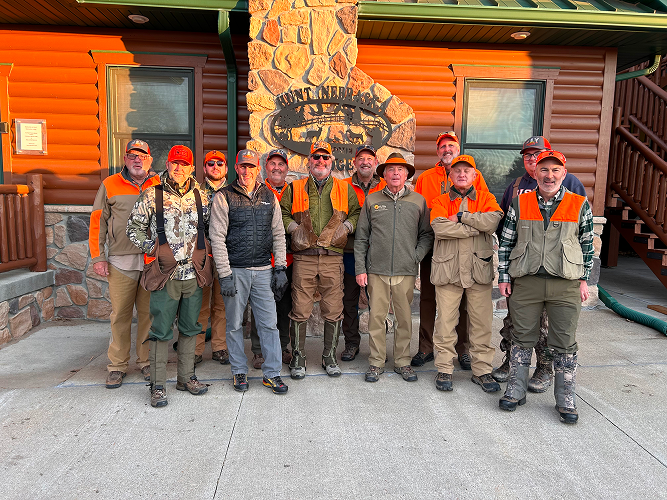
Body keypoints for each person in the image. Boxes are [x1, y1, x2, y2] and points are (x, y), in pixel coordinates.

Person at [497, 150, 593, 424]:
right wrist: (504, 277)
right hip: (527, 281)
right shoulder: (520, 202)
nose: (549, 176)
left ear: (564, 174)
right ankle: (515, 390)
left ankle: (565, 398)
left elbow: (587, 243)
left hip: (565, 283)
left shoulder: (579, 203)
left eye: (555, 170)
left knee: (564, 341)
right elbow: (507, 242)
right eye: (544, 170)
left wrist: (584, 279)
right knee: (521, 337)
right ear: (535, 173)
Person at [127, 145, 209, 407]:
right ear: (168, 164)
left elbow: (211, 229)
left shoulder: (202, 196)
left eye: (184, 164)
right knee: (161, 331)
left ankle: (186, 378)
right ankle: (158, 385)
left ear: (191, 168)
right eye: (175, 163)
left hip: (193, 275)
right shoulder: (152, 195)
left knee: (190, 328)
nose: (178, 168)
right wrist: (152, 248)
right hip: (165, 275)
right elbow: (133, 228)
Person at [209, 149, 289, 394]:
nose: (246, 171)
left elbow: (278, 233)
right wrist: (224, 274)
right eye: (242, 166)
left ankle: (272, 373)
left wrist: (280, 267)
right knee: (234, 324)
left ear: (258, 169)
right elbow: (217, 237)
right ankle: (239, 371)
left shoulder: (269, 196)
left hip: (264, 270)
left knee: (269, 325)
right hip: (236, 270)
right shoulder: (224, 196)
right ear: (236, 168)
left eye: (251, 166)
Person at [280, 140, 361, 379]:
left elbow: (357, 213)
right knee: (299, 309)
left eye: (325, 157)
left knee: (334, 310)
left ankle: (329, 357)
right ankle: (298, 358)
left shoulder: (344, 188)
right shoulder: (294, 188)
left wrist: (347, 227)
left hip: (332, 258)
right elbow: (281, 213)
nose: (321, 161)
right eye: (316, 157)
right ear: (309, 161)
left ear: (331, 161)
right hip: (303, 258)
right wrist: (294, 228)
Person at [412, 131, 488, 370]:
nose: (447, 149)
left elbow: (483, 209)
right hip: (432, 246)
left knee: (463, 299)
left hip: (464, 249)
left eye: (451, 145)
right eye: (443, 146)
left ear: (458, 149)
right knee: (428, 298)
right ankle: (426, 347)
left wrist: (463, 225)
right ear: (438, 151)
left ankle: (462, 349)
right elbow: (420, 213)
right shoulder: (426, 178)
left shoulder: (475, 176)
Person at [354, 153, 433, 382]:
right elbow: (361, 238)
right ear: (384, 175)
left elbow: (426, 235)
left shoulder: (418, 201)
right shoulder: (372, 200)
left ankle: (402, 362)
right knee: (376, 318)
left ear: (406, 174)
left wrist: (415, 257)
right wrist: (361, 269)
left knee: (404, 319)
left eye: (400, 169)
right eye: (391, 169)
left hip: (405, 270)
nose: (395, 173)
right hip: (376, 270)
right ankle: (376, 362)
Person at [89, 139, 160, 389]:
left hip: (151, 261)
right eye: (132, 155)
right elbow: (97, 221)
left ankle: (146, 361)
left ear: (150, 160)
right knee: (120, 315)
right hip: (121, 260)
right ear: (125, 159)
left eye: (142, 156)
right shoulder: (110, 184)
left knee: (148, 315)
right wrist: (98, 257)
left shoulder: (158, 184)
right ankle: (117, 366)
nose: (137, 160)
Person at [429, 155, 503, 392]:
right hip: (448, 270)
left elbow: (492, 222)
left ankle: (482, 371)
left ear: (474, 175)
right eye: (457, 171)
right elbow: (439, 227)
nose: (462, 174)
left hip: (478, 270)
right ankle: (444, 368)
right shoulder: (440, 200)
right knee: (445, 323)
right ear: (450, 175)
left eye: (466, 171)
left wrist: (462, 217)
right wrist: (474, 229)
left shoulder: (486, 198)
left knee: (482, 324)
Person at [341, 144, 386, 362]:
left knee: (378, 303)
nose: (365, 162)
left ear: (375, 162)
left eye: (369, 158)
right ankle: (351, 343)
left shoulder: (385, 186)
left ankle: (379, 347)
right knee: (349, 301)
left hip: (378, 253)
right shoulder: (343, 186)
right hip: (350, 252)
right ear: (354, 162)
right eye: (361, 158)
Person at [249, 148, 293, 368]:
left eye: (281, 164)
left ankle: (283, 346)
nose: (277, 168)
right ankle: (259, 351)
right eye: (272, 164)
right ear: (265, 167)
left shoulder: (293, 191)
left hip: (288, 259)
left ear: (286, 168)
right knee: (260, 307)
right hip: (262, 260)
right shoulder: (257, 191)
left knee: (284, 307)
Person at [195, 150, 229, 365]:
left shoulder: (232, 192)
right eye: (210, 163)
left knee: (221, 304)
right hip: (202, 255)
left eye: (219, 163)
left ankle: (219, 347)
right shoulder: (195, 193)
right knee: (200, 305)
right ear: (204, 168)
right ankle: (196, 349)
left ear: (226, 168)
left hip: (225, 255)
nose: (215, 167)